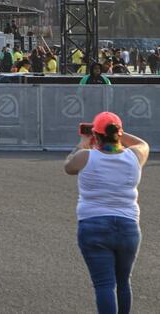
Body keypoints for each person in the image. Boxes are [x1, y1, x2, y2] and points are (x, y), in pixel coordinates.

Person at [64, 111, 149, 314]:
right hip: (128, 226)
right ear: (118, 133)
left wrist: (83, 141)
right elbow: (143, 143)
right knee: (123, 282)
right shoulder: (134, 156)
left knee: (104, 284)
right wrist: (116, 130)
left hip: (93, 224)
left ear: (96, 134)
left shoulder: (85, 156)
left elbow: (68, 166)